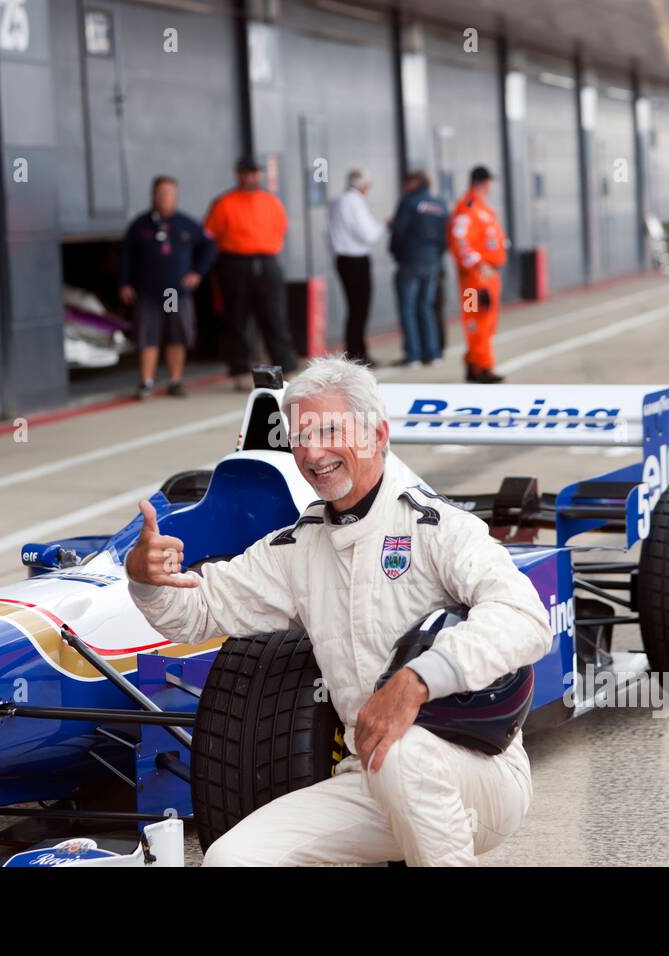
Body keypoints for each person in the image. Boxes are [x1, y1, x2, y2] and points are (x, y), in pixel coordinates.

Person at [125, 355, 551, 866]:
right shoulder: (299, 548)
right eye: (301, 436)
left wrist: (415, 682)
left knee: (399, 752)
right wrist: (145, 578)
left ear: (376, 434)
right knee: (233, 858)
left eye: (330, 429)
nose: (314, 451)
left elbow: (525, 617)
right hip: (369, 774)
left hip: (480, 774)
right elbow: (196, 613)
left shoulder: (437, 527)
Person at [118, 176, 218, 399]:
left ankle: (175, 380)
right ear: (153, 195)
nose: (164, 198)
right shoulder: (140, 225)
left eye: (169, 193)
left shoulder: (186, 224)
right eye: (160, 193)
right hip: (149, 291)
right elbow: (125, 255)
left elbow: (210, 246)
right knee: (148, 336)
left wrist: (198, 273)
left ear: (176, 196)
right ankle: (146, 382)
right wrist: (124, 282)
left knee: (176, 335)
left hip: (175, 292)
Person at [204, 157, 298, 390]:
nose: (250, 177)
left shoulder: (271, 202)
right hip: (235, 264)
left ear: (260, 175)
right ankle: (239, 370)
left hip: (267, 262)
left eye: (254, 173)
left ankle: (287, 367)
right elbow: (210, 234)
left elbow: (281, 229)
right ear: (238, 175)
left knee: (275, 317)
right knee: (236, 319)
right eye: (245, 173)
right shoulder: (224, 202)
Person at [449, 165, 508, 383]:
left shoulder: (481, 208)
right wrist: (477, 263)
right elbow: (459, 239)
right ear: (483, 182)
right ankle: (482, 366)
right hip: (474, 279)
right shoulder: (468, 207)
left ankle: (475, 362)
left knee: (487, 321)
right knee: (476, 319)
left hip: (488, 276)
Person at [327, 169, 386, 366]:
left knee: (354, 309)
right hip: (356, 259)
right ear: (364, 186)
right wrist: (384, 225)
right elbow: (368, 234)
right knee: (359, 309)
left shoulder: (338, 202)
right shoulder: (354, 202)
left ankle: (356, 351)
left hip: (343, 259)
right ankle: (357, 353)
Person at [389, 170, 448, 367]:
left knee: (408, 308)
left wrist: (397, 255)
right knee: (426, 307)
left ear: (415, 182)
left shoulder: (409, 202)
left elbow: (398, 231)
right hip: (432, 261)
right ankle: (433, 353)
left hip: (411, 260)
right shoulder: (439, 204)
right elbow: (444, 236)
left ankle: (413, 354)